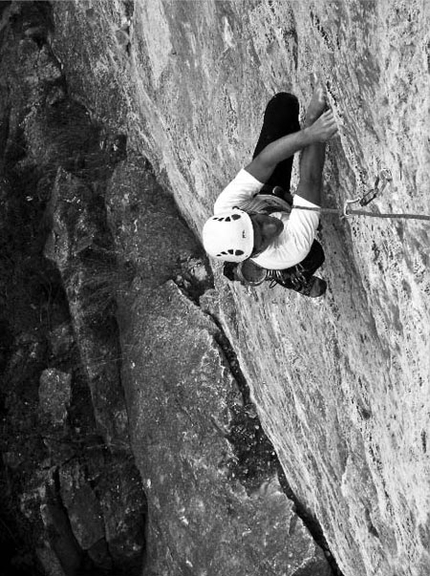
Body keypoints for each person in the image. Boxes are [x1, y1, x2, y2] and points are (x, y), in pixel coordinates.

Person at [202, 86, 338, 297]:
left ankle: (285, 213)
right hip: (289, 245)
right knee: (314, 255)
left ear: (243, 212)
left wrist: (309, 132)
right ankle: (288, 276)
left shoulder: (226, 206)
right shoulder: (289, 250)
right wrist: (314, 121)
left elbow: (264, 162)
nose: (271, 228)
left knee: (283, 106)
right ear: (255, 253)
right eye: (263, 240)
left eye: (258, 223)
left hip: (271, 197)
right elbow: (310, 181)